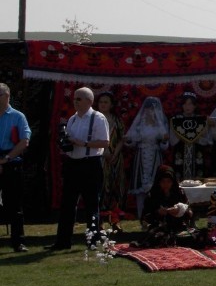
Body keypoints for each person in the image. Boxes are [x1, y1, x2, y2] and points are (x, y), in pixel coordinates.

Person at [49, 87, 110, 250]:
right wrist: (66, 143)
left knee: (91, 203)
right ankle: (63, 241)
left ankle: (92, 240)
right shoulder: (72, 119)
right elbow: (70, 141)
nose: (75, 102)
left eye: (79, 99)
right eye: (74, 99)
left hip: (90, 163)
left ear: (89, 101)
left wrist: (83, 143)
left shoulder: (98, 118)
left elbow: (105, 142)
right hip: (73, 163)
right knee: (67, 204)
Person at [125, 96, 170, 221]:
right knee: (140, 187)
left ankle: (155, 216)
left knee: (155, 186)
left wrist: (164, 141)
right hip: (141, 157)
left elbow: (164, 146)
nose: (150, 112)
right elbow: (132, 142)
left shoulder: (160, 126)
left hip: (155, 156)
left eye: (153, 109)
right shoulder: (139, 125)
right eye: (148, 109)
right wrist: (129, 140)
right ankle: (141, 216)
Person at [135, 165, 199, 248]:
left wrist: (179, 211)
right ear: (158, 182)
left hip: (178, 226)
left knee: (193, 236)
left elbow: (189, 213)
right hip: (159, 228)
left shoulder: (179, 193)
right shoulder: (152, 196)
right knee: (158, 237)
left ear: (173, 182)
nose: (166, 184)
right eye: (163, 182)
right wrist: (157, 213)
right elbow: (144, 218)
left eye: (169, 182)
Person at [0, 83, 31, 252]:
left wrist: (6, 158)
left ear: (7, 96)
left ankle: (18, 241)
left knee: (14, 205)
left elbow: (24, 141)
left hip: (11, 161)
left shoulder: (18, 117)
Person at [169, 91, 216, 181]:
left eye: (190, 104)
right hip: (180, 154)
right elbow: (172, 141)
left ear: (195, 106)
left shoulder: (201, 120)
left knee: (197, 179)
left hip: (197, 154)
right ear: (182, 106)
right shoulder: (176, 120)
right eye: (185, 104)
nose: (187, 107)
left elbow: (207, 140)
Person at [96, 92, 127, 225]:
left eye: (106, 102)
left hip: (116, 157)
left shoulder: (116, 119)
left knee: (116, 184)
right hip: (100, 156)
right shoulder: (94, 119)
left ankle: (114, 217)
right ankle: (101, 216)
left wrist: (115, 154)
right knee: (102, 184)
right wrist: (105, 152)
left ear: (111, 105)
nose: (103, 104)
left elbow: (122, 138)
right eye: (101, 102)